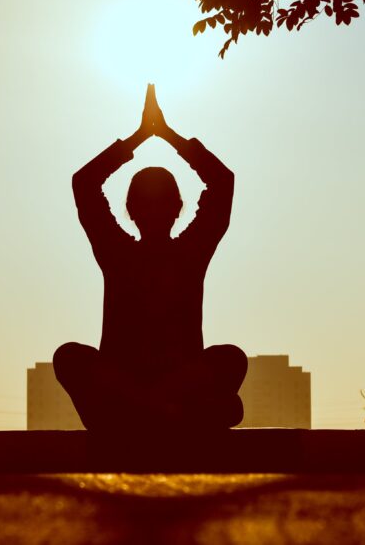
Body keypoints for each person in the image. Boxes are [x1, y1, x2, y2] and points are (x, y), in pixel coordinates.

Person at [54, 85, 247, 430]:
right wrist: (155, 136)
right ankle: (163, 411)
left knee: (231, 358)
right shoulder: (125, 252)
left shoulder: (180, 252)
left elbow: (222, 182)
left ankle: (149, 409)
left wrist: (150, 136)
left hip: (154, 391)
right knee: (69, 356)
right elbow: (83, 183)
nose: (155, 210)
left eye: (160, 203)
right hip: (135, 388)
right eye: (149, 203)